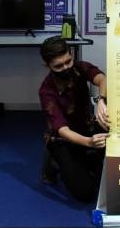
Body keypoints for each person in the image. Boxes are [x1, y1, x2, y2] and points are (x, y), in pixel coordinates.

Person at [37, 36, 110, 202]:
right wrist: (89, 142)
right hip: (63, 139)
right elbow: (62, 130)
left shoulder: (80, 67)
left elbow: (102, 78)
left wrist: (101, 100)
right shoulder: (46, 91)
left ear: (71, 54)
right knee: (85, 193)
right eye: (58, 66)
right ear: (47, 65)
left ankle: (87, 158)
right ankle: (54, 161)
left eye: (68, 61)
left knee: (110, 175)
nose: (65, 68)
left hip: (87, 127)